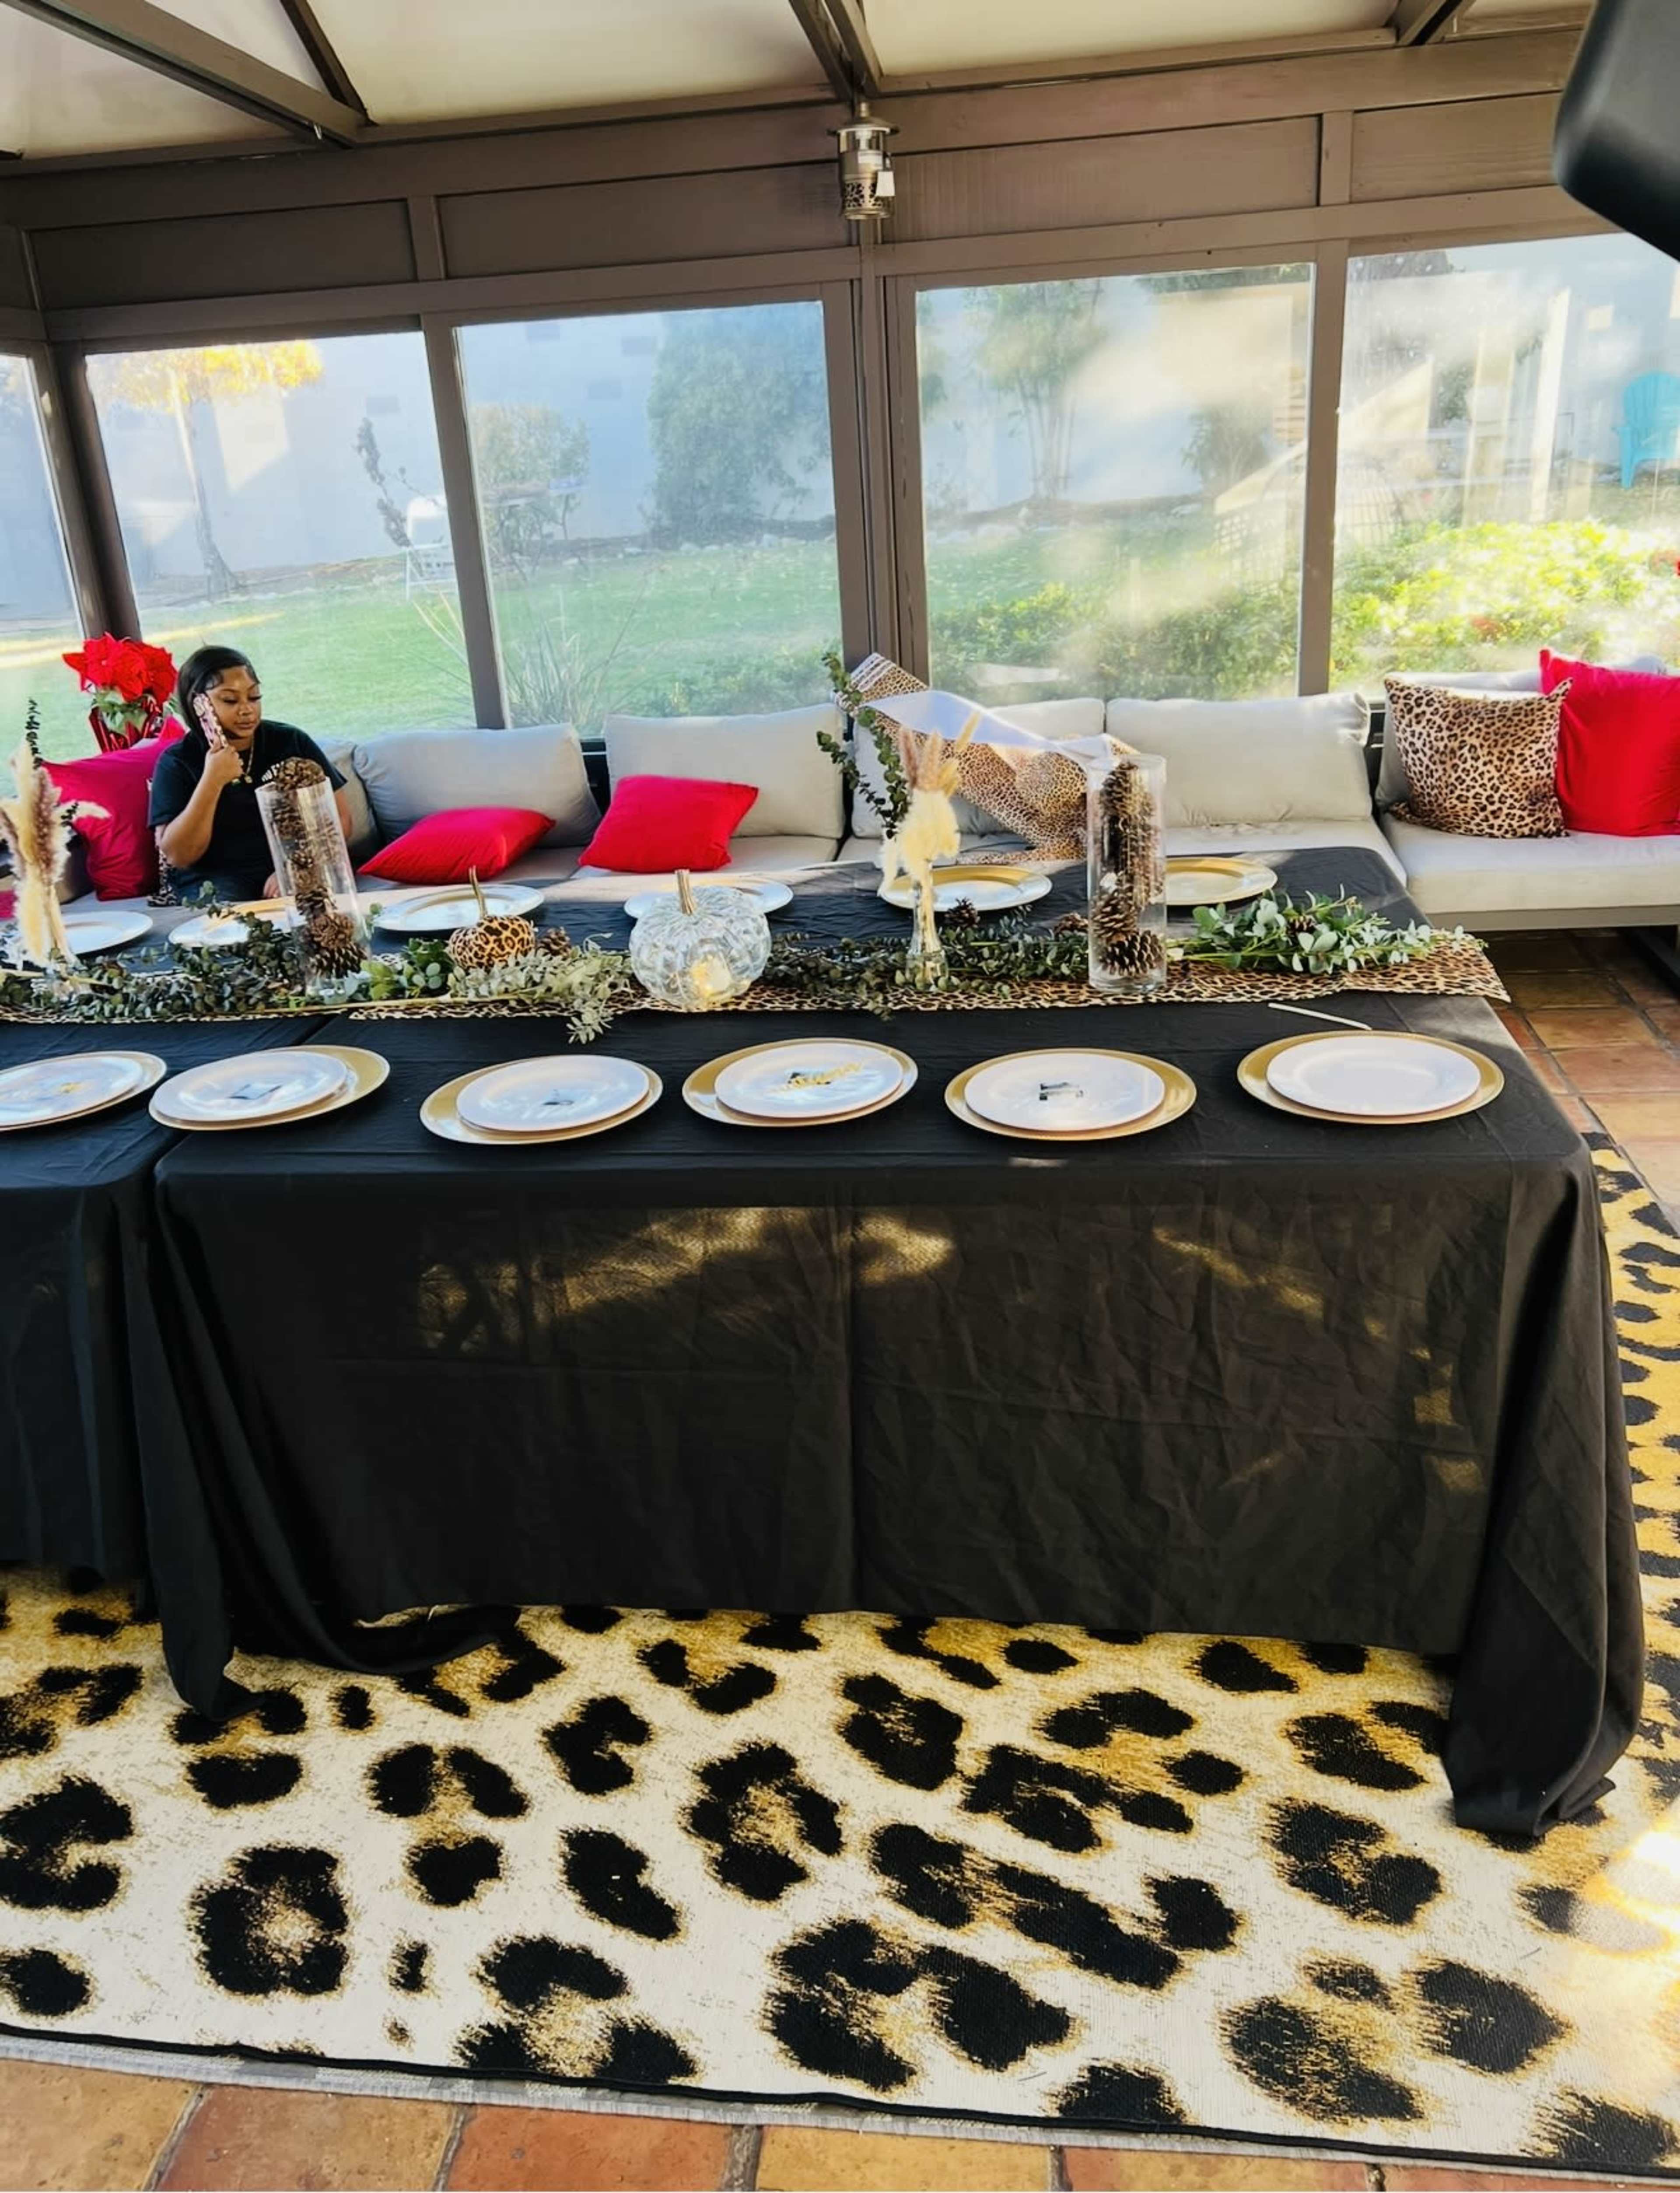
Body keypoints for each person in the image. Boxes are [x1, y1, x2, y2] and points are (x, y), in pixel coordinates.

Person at [150, 646, 353, 902]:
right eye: (230, 700)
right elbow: (179, 856)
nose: (247, 710)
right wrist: (212, 780)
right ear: (199, 705)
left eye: (254, 697)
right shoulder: (177, 762)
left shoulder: (291, 742)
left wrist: (294, 868)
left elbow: (340, 819)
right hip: (213, 880)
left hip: (294, 865)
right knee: (231, 928)